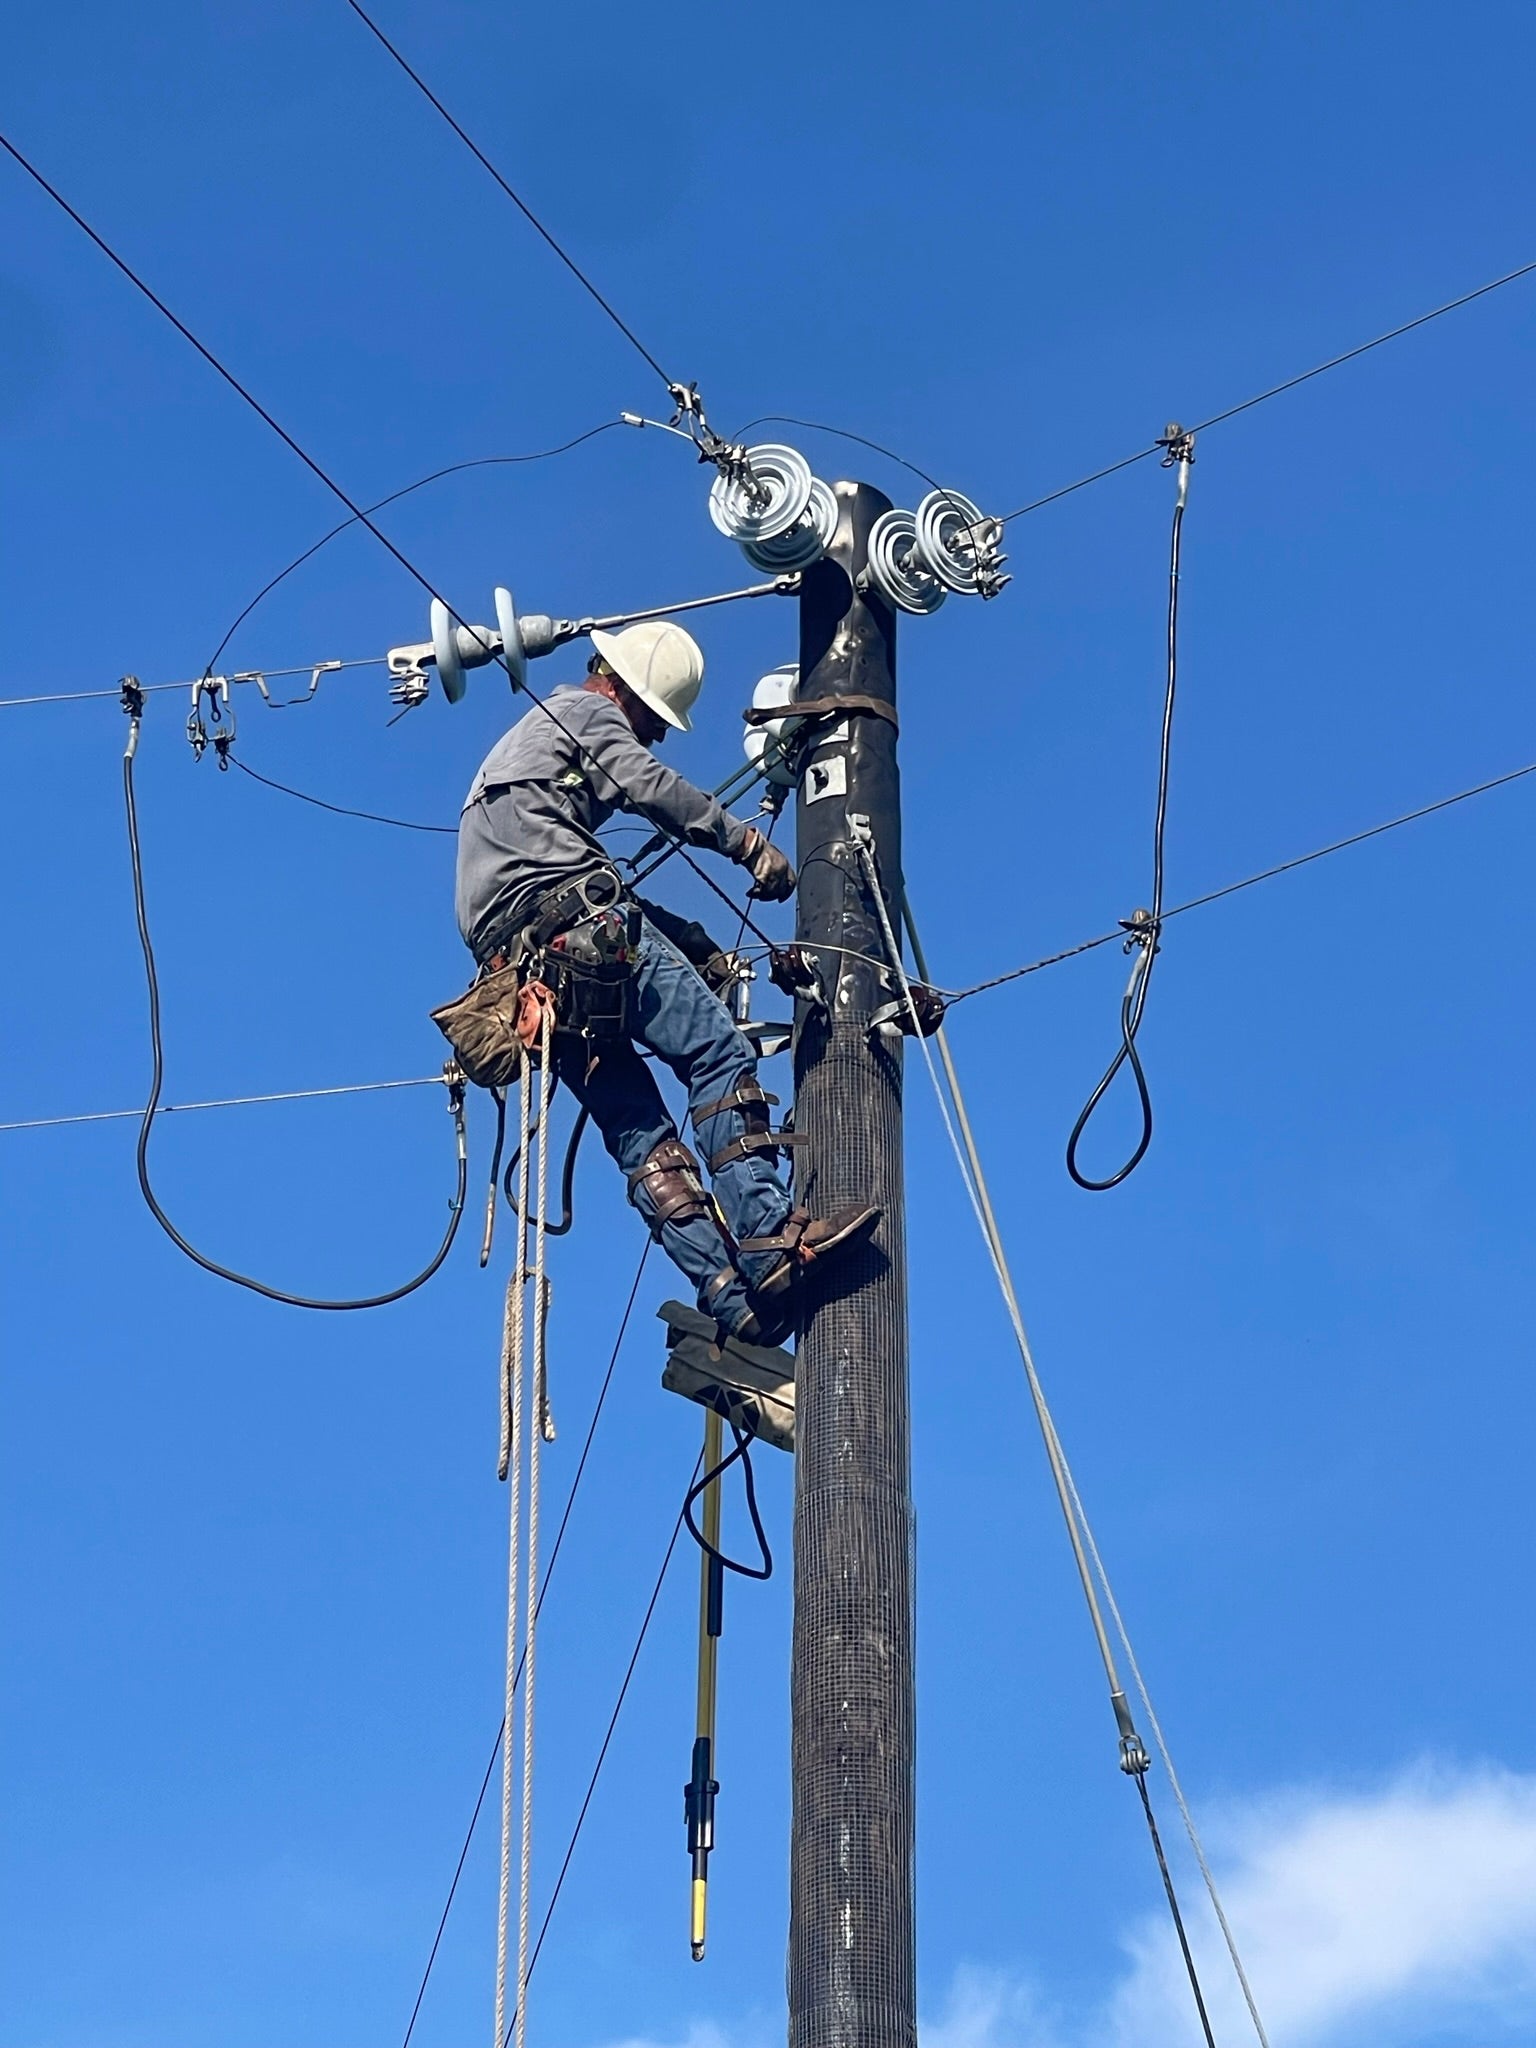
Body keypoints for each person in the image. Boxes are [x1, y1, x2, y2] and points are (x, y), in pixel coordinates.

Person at [455, 618, 876, 1343]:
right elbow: (643, 786)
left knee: (641, 1136)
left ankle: (729, 1295)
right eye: (652, 719)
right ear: (623, 688)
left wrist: (698, 948)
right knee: (716, 1056)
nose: (652, 736)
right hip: (577, 930)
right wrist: (744, 843)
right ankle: (770, 1233)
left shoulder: (515, 775)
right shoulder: (586, 710)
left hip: (526, 978)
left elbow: (575, 889)